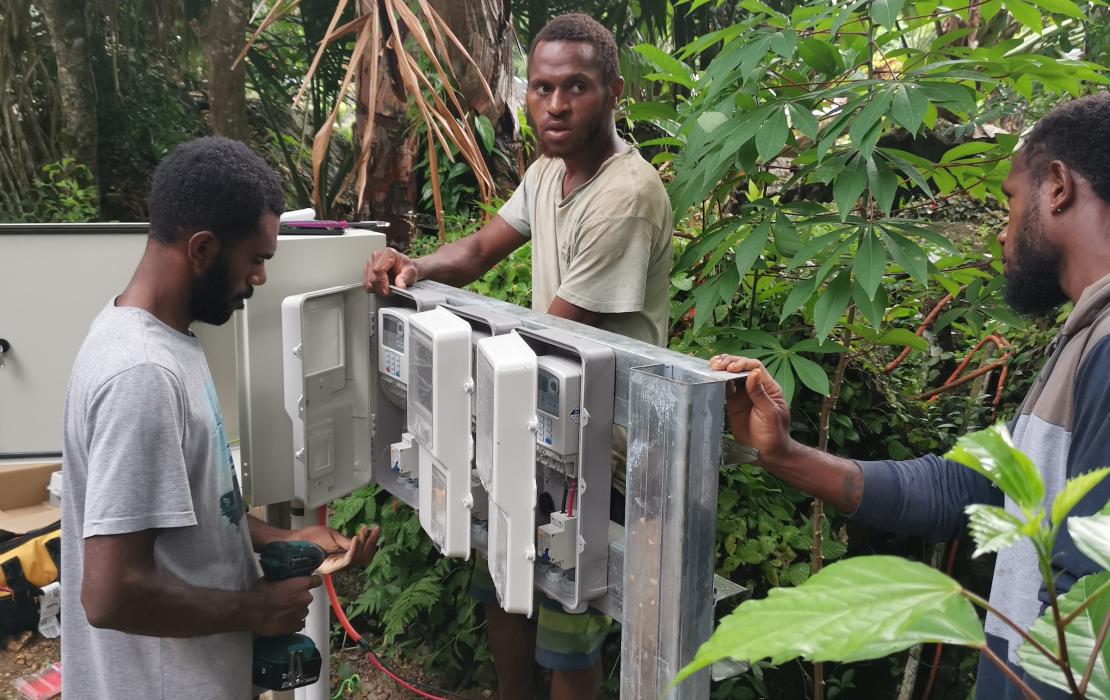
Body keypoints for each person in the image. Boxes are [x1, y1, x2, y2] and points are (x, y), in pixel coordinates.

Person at [710, 93, 1110, 700]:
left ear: (1056, 188)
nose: (1002, 233)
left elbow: (1093, 614)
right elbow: (968, 490)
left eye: (1010, 201)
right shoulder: (1083, 338)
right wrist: (784, 453)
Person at [364, 13, 673, 699]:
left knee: (568, 617)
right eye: (540, 88)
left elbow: (560, 329)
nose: (555, 105)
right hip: (534, 417)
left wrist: (456, 393)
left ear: (614, 92)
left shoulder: (626, 195)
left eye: (576, 87)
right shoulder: (545, 172)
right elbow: (476, 252)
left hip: (599, 449)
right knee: (504, 583)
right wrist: (414, 266)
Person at [61, 136, 379, 700]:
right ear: (203, 249)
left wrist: (285, 537)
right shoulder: (141, 375)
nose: (259, 278)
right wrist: (253, 609)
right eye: (256, 259)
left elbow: (191, 511)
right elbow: (110, 594)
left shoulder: (165, 339)